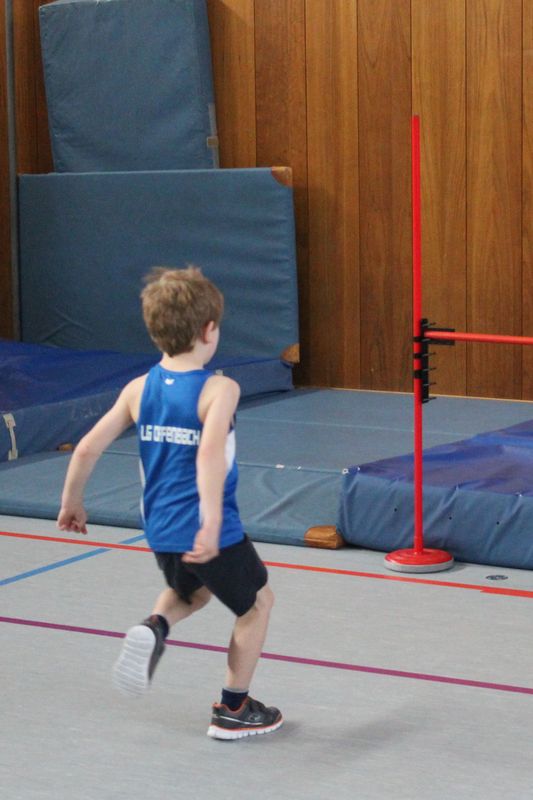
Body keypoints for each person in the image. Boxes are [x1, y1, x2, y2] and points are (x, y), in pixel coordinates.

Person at [57, 266, 283, 740]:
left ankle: (155, 626)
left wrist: (72, 503)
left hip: (159, 526)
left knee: (191, 593)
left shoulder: (139, 388)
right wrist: (212, 521)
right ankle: (234, 709)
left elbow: (87, 448)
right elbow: (209, 454)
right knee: (257, 604)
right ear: (209, 330)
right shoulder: (219, 389)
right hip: (208, 527)